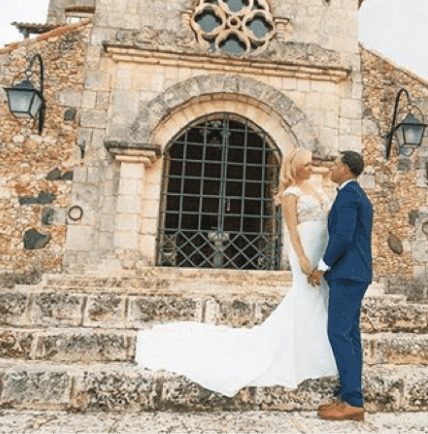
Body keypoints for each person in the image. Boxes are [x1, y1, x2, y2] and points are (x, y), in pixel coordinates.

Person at [134, 147, 336, 397]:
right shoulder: (290, 193)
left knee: (319, 300)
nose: (310, 167)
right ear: (294, 167)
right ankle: (304, 355)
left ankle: (313, 350)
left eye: (311, 163)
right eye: (306, 164)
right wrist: (304, 259)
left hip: (322, 248)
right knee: (306, 297)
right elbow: (292, 231)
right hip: (304, 248)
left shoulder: (316, 188)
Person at [308, 151, 373, 422]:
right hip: (357, 273)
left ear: (345, 169)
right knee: (350, 335)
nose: (331, 169)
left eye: (335, 165)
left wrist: (322, 267)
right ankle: (351, 394)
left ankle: (352, 402)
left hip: (347, 273)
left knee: (339, 333)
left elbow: (343, 236)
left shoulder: (347, 195)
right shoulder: (359, 195)